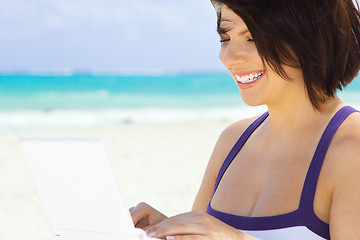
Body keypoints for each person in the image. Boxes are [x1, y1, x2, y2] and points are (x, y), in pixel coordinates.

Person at [130, 0, 360, 239]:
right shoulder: (232, 140)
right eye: (225, 38)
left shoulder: (352, 148)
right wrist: (166, 229)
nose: (229, 57)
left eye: (252, 38)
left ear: (309, 36)